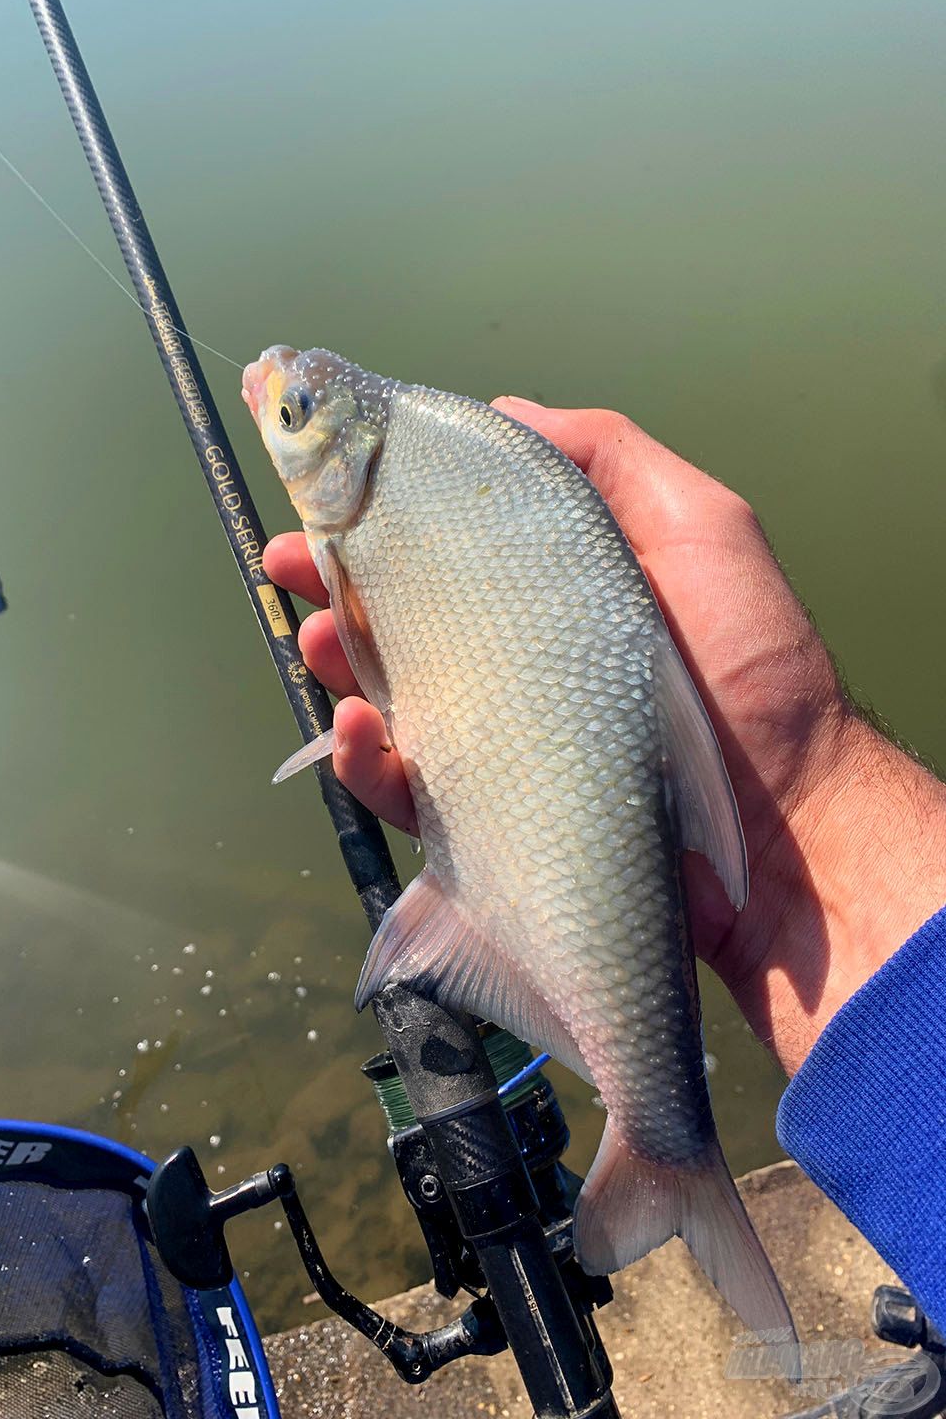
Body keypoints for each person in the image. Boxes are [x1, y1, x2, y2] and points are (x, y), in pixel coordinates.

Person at [263, 399, 946, 1336]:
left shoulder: (435, 466)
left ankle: (669, 1153)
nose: (278, 404)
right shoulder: (454, 457)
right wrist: (807, 792)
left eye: (297, 414)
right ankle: (672, 1154)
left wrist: (802, 783)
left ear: (355, 462)